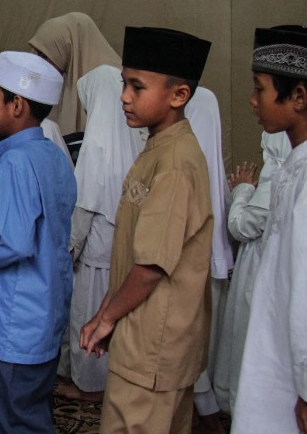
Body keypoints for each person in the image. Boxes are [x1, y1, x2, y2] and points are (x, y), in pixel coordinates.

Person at [81, 27, 213, 433]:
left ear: (178, 95)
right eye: (124, 83)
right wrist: (106, 313)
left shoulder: (175, 163)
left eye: (137, 87)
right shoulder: (157, 148)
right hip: (143, 334)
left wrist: (108, 318)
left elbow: (151, 266)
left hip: (154, 342)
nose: (124, 96)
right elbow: (133, 253)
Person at [0, 51, 77, 433]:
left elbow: (12, 245)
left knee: (18, 421)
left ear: (17, 105)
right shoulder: (52, 155)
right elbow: (42, 224)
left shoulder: (15, 163)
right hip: (46, 311)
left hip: (19, 318)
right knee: (33, 411)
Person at [232, 26, 307, 434]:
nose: (252, 99)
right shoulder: (293, 167)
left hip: (292, 377)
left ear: (298, 97)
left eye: (260, 88)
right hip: (277, 357)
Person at [63, 65, 144, 401]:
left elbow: (84, 207)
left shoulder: (96, 141)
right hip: (126, 246)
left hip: (96, 248)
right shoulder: (137, 137)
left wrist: (69, 249)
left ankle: (89, 385)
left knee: (89, 311)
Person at [213, 130, 289, 415]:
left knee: (249, 337)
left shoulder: (281, 173)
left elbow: (242, 226)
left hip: (259, 270)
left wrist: (243, 190)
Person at [185, 87, 234, 427]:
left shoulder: (188, 161)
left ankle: (207, 415)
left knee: (195, 343)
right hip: (202, 260)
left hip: (192, 265)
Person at [28, 12, 121, 135]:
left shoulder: (112, 81)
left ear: (66, 50)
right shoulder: (64, 73)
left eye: (45, 56)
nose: (39, 62)